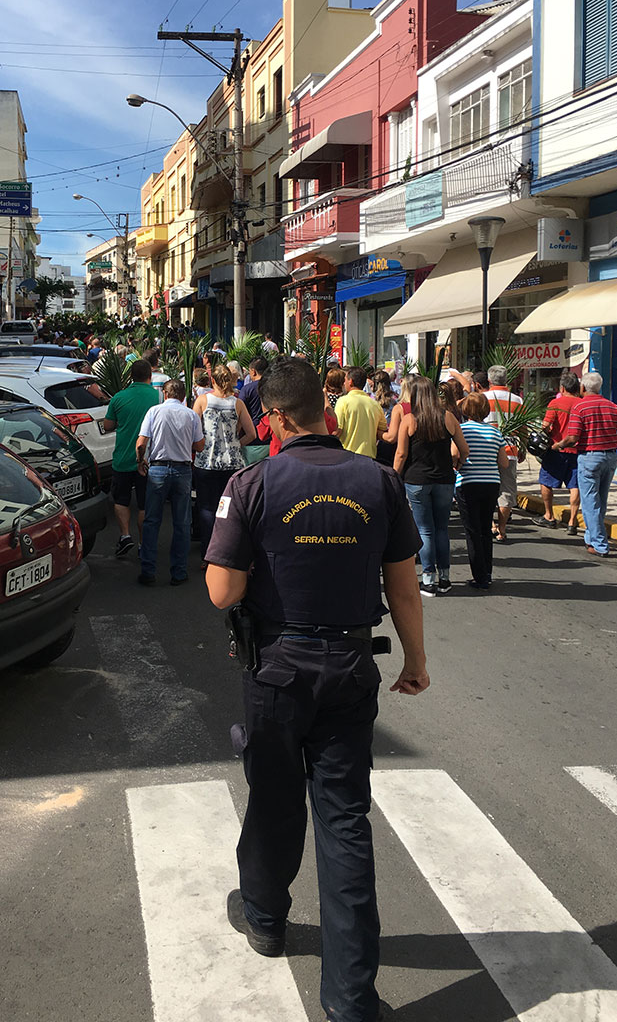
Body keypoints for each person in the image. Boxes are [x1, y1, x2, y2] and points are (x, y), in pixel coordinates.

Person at [204, 357, 429, 1022]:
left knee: (274, 799)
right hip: (352, 665)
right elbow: (405, 585)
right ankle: (352, 1001)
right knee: (345, 823)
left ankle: (268, 917)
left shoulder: (253, 483)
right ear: (326, 410)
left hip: (277, 667)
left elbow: (223, 590)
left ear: (273, 416)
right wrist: (415, 659)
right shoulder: (379, 482)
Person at [394, 375, 469, 597]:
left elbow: (401, 453)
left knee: (424, 529)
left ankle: (428, 579)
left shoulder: (409, 419)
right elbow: (464, 449)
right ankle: (445, 578)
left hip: (416, 480)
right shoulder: (447, 417)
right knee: (441, 529)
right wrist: (457, 464)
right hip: (444, 479)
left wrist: (393, 476)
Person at [555, 371, 617, 556]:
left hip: (590, 457)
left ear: (582, 387)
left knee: (590, 502)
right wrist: (614, 438)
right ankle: (591, 538)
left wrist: (558, 445)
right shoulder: (612, 407)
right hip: (610, 457)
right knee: (601, 500)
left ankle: (600, 544)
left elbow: (573, 436)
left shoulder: (580, 407)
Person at [136, 379, 204, 585]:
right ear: (183, 396)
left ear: (165, 394)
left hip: (157, 468)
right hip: (182, 469)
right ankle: (179, 572)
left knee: (151, 521)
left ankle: (148, 571)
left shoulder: (153, 412)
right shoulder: (191, 415)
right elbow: (199, 446)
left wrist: (140, 460)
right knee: (182, 523)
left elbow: (141, 443)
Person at [193, 365, 256, 563]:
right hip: (232, 462)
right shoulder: (237, 403)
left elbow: (193, 429)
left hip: (206, 461)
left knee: (206, 509)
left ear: (212, 381)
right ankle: (229, 551)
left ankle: (208, 554)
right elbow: (252, 433)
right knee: (229, 509)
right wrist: (236, 444)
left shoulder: (203, 401)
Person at [102, 359, 161, 558]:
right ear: (150, 376)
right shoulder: (158, 396)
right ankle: (143, 543)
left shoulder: (118, 397)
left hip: (122, 458)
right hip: (148, 460)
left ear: (130, 377)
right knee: (144, 504)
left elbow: (108, 425)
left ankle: (125, 535)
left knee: (121, 499)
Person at [454, 393, 509, 590]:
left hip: (468, 482)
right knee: (486, 529)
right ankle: (487, 571)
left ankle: (479, 576)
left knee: (472, 531)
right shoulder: (495, 433)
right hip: (491, 483)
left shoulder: (461, 430)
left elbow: (455, 454)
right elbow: (503, 462)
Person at [535, 370, 581, 534]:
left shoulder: (555, 404)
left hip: (556, 448)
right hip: (577, 450)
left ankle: (549, 515)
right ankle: (572, 520)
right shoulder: (581, 404)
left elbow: (546, 426)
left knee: (546, 481)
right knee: (575, 485)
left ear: (562, 388)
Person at [484, 365, 523, 543]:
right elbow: (523, 428)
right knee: (506, 491)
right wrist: (523, 448)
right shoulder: (517, 400)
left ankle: (491, 524)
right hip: (509, 450)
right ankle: (502, 529)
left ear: (489, 380)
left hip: (486, 450)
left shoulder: (482, 398)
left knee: (487, 488)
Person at [334, 366, 386, 457]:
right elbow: (382, 430)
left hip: (347, 457)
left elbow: (338, 430)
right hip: (369, 458)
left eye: (345, 379)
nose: (344, 382)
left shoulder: (343, 401)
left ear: (350, 381)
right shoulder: (375, 404)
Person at [238, 356, 268, 426]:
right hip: (273, 427)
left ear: (253, 372)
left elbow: (239, 409)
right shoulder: (274, 385)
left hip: (253, 427)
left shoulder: (247, 389)